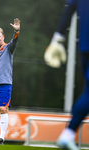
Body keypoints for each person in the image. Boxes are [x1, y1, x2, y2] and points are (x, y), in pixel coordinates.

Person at [44, 0, 89, 150]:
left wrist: (57, 39)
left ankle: (68, 135)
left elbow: (68, 9)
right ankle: (67, 135)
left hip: (85, 46)